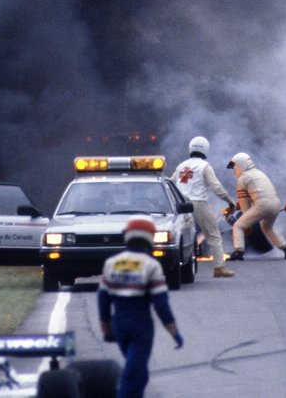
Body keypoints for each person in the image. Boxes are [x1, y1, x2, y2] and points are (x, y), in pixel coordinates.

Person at [98, 217, 184, 398]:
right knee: (134, 374)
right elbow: (161, 304)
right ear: (149, 238)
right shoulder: (151, 265)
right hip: (141, 327)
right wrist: (173, 331)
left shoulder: (112, 263)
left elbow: (103, 298)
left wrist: (106, 326)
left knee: (138, 372)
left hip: (119, 325)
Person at [171, 136, 236, 278]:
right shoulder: (204, 166)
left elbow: (171, 183)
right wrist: (230, 201)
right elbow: (216, 187)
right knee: (213, 235)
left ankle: (176, 265)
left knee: (180, 236)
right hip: (199, 203)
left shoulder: (182, 166)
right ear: (206, 149)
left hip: (182, 205)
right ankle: (219, 268)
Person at [225, 152, 286, 260]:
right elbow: (252, 195)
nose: (234, 170)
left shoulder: (242, 179)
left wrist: (247, 224)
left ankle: (239, 251)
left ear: (239, 164)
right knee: (267, 227)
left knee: (238, 226)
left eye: (234, 166)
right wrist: (234, 206)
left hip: (262, 205)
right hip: (275, 204)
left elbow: (245, 205)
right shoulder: (259, 173)